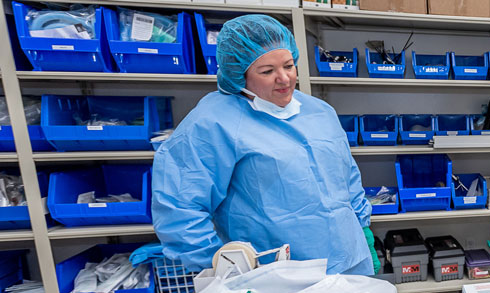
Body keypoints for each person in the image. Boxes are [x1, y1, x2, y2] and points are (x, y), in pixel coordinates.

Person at [151, 15, 378, 275]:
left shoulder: (319, 111)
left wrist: (363, 230)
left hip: (348, 261)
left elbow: (346, 177)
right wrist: (218, 263)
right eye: (267, 71)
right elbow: (179, 205)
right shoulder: (212, 123)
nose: (284, 78)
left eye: (289, 66)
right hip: (273, 276)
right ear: (239, 75)